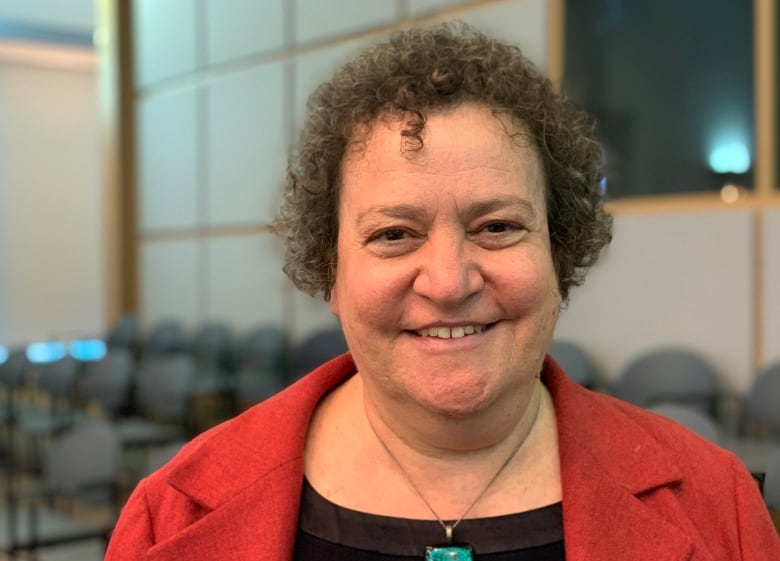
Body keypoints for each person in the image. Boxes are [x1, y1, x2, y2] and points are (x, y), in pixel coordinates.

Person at [105, 22, 779, 560]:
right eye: (395, 234)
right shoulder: (169, 517)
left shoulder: (719, 505)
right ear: (329, 269)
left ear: (559, 250)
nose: (450, 282)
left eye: (497, 226)